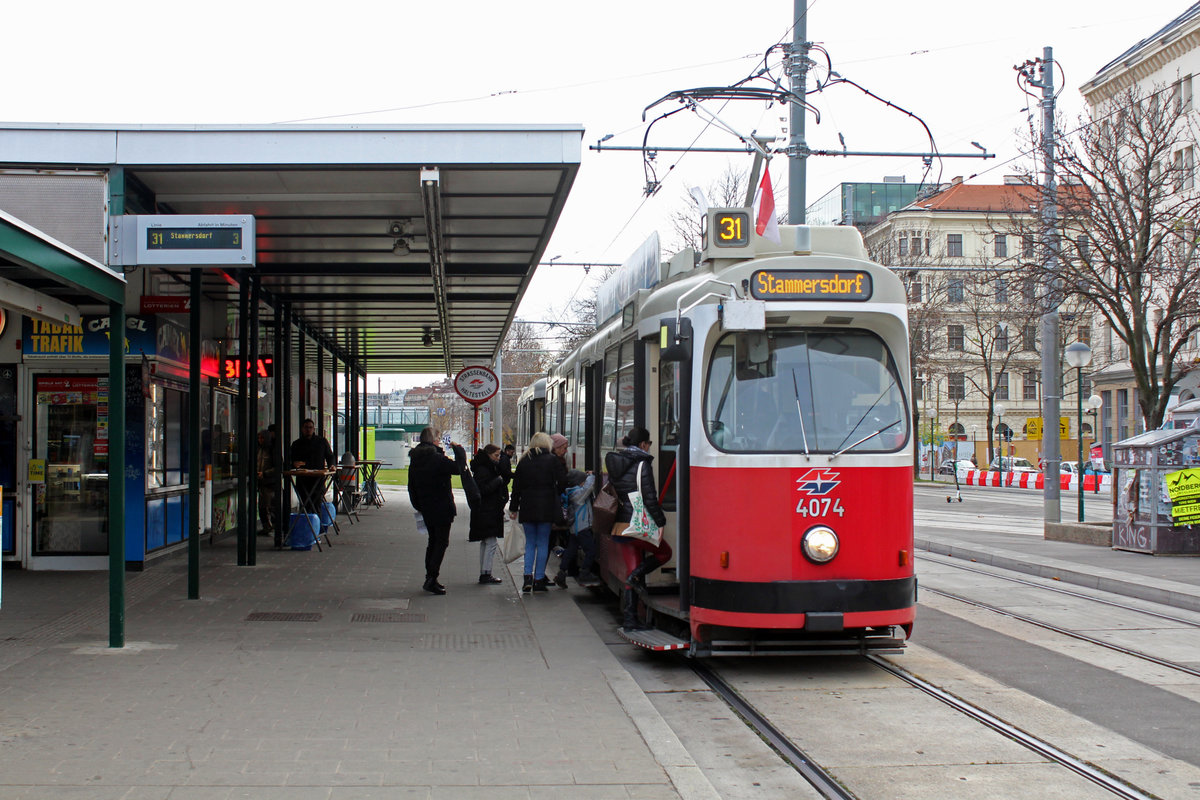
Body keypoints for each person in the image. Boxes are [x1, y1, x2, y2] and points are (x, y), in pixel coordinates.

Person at [606, 426, 670, 631]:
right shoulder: (642, 464)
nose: (649, 447)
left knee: (632, 568)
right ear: (643, 444)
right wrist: (660, 522)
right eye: (649, 444)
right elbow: (649, 498)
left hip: (620, 526)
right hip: (638, 525)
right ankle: (635, 579)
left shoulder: (617, 463)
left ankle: (630, 620)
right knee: (665, 553)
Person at [407, 427, 466, 595]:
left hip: (426, 506)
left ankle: (430, 575)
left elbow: (411, 486)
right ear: (433, 440)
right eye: (438, 438)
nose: (440, 441)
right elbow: (457, 468)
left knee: (433, 540)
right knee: (441, 542)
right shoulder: (436, 459)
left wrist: (419, 505)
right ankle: (432, 577)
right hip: (441, 506)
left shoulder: (416, 459)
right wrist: (459, 451)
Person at [509, 431, 568, 593]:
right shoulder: (552, 460)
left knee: (530, 543)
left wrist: (513, 508)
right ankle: (539, 579)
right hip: (546, 506)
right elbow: (563, 482)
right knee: (542, 543)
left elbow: (516, 488)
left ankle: (527, 577)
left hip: (527, 506)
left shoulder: (524, 461)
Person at [468, 444, 508, 585]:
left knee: (486, 542)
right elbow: (483, 489)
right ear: (489, 454)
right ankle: (486, 573)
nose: (498, 458)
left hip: (485, 510)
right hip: (488, 510)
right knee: (490, 542)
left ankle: (485, 572)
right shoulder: (485, 470)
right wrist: (497, 482)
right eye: (496, 455)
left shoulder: (482, 467)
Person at [553, 469, 599, 588]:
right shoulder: (577, 493)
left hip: (575, 528)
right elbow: (588, 488)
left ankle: (561, 574)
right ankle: (584, 573)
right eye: (583, 481)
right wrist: (592, 476)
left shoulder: (572, 492)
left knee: (570, 551)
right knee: (591, 551)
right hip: (582, 528)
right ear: (578, 482)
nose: (585, 482)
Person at [289, 418, 334, 512]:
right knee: (304, 503)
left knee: (317, 503)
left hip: (318, 479)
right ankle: (307, 524)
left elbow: (330, 456)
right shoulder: (296, 444)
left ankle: (316, 525)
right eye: (306, 427)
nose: (308, 429)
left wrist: (332, 466)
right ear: (302, 429)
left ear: (314, 429)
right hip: (303, 479)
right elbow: (291, 460)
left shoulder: (321, 442)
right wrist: (294, 464)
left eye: (310, 427)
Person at [255, 429, 281, 538]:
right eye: (259, 438)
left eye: (262, 438)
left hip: (270, 483)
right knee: (262, 506)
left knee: (271, 506)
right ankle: (267, 527)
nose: (260, 440)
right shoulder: (258, 450)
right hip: (261, 482)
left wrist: (265, 473)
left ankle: (275, 527)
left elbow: (278, 467)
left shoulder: (272, 450)